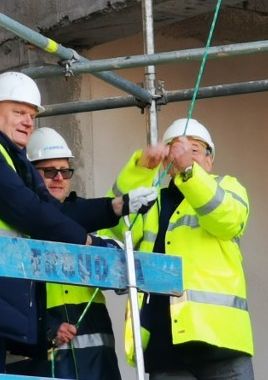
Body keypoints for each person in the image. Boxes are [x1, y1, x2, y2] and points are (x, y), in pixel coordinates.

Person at [0, 71, 155, 374]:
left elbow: (52, 212)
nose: (28, 120)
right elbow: (29, 210)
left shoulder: (10, 158)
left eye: (32, 114)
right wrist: (90, 243)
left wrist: (115, 207)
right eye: (18, 112)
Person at [108, 118, 255, 380]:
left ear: (210, 160)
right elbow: (116, 223)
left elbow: (228, 220)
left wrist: (189, 172)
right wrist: (141, 170)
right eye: (177, 150)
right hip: (164, 344)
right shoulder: (152, 201)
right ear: (167, 162)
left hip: (220, 341)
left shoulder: (228, 187)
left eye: (195, 150)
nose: (185, 155)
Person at [26, 127, 128, 380]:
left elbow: (120, 261)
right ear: (29, 174)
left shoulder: (84, 219)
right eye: (49, 171)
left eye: (65, 171)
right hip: (43, 360)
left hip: (96, 363)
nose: (59, 178)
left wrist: (91, 243)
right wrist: (47, 328)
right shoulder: (17, 228)